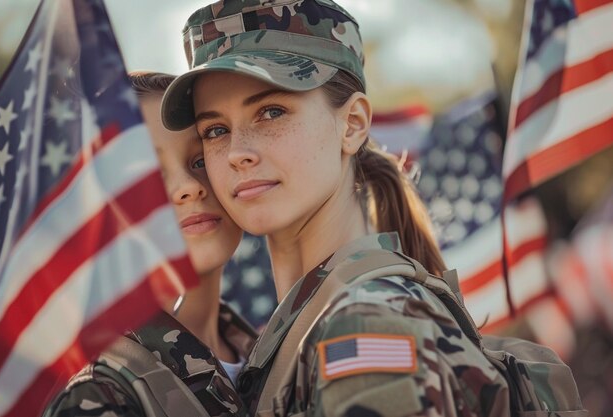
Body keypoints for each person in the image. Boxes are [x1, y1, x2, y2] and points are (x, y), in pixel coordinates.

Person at [161, 1, 586, 417]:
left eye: (272, 111)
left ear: (352, 125)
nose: (237, 153)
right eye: (215, 130)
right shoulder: (313, 323)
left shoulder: (364, 329)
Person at [43, 72, 256, 417]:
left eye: (200, 160)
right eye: (146, 174)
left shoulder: (272, 353)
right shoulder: (99, 393)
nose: (188, 186)